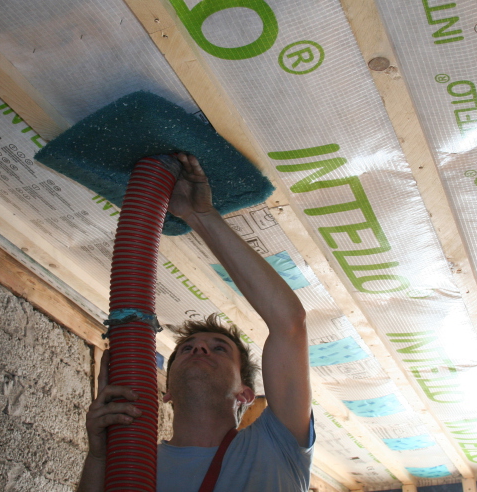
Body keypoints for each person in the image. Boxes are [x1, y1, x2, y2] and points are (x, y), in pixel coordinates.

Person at [79, 153, 313, 491]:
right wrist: (99, 457)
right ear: (167, 392)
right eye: (187, 348)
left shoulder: (278, 445)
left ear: (245, 393)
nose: (199, 348)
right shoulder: (134, 465)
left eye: (219, 349)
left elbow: (289, 323)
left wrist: (200, 215)